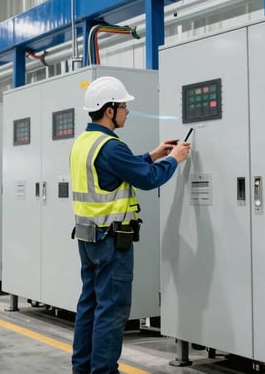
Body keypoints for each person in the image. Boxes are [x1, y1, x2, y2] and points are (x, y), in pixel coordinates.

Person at [69, 76, 190, 374]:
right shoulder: (111, 146)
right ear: (109, 110)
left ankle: (83, 369)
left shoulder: (85, 142)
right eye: (123, 106)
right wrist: (173, 160)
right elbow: (148, 179)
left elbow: (118, 169)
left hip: (88, 239)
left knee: (90, 306)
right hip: (111, 242)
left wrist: (153, 154)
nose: (127, 112)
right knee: (111, 311)